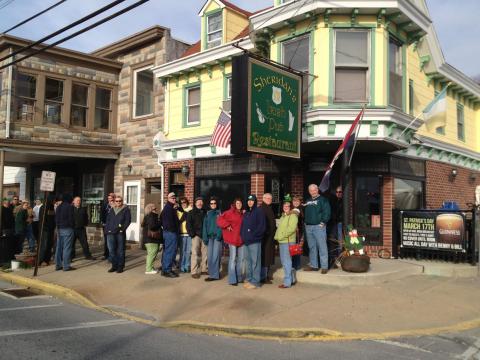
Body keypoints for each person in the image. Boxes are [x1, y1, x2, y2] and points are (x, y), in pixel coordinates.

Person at [240, 194, 266, 289]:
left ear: (255, 202)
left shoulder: (259, 211)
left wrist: (253, 235)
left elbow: (262, 227)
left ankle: (255, 282)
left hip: (255, 241)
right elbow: (243, 227)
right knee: (248, 262)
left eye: (252, 200)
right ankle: (250, 278)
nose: (250, 202)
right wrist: (243, 236)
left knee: (255, 262)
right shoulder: (246, 213)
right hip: (246, 242)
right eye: (248, 200)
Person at [304, 184, 331, 274]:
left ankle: (324, 267)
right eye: (311, 190)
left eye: (314, 190)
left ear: (317, 190)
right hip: (308, 226)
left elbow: (327, 211)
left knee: (322, 246)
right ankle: (314, 265)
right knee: (312, 247)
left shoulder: (323, 200)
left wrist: (323, 222)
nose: (313, 192)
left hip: (318, 227)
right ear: (309, 191)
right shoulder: (308, 200)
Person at [217, 197, 244, 286]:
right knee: (232, 259)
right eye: (237, 203)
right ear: (234, 204)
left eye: (240, 203)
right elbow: (219, 220)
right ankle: (232, 279)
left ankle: (239, 277)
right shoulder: (229, 212)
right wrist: (227, 225)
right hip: (232, 239)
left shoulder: (243, 213)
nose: (239, 205)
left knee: (241, 259)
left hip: (241, 240)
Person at [274, 199, 298, 288]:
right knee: (286, 261)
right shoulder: (283, 216)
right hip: (282, 241)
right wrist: (277, 237)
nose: (286, 207)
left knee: (286, 262)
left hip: (287, 241)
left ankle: (287, 283)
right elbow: (280, 228)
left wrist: (282, 236)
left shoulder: (293, 216)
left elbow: (292, 229)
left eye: (288, 206)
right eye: (284, 206)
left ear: (290, 207)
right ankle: (292, 279)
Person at [105, 196, 131, 273]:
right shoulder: (112, 210)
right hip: (110, 233)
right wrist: (107, 230)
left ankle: (120, 267)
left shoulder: (126, 210)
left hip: (120, 233)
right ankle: (114, 266)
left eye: (120, 201)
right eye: (116, 201)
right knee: (111, 250)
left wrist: (122, 229)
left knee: (120, 251)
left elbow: (128, 221)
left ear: (122, 201)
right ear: (114, 202)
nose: (118, 202)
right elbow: (108, 220)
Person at [160, 192, 181, 278]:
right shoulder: (168, 208)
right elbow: (167, 222)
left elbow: (161, 218)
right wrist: (173, 230)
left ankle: (165, 269)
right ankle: (167, 270)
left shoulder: (170, 208)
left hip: (168, 232)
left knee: (167, 251)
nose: (174, 199)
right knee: (170, 252)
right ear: (168, 199)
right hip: (170, 233)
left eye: (174, 197)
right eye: (172, 198)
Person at [202, 197, 222, 282]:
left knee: (215, 257)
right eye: (211, 203)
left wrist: (219, 235)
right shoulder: (207, 214)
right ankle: (212, 273)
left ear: (216, 204)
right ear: (209, 205)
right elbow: (205, 226)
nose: (213, 205)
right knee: (210, 257)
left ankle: (215, 275)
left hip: (217, 238)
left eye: (214, 203)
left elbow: (221, 225)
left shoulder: (220, 213)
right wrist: (205, 237)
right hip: (210, 238)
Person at [187, 197, 207, 279]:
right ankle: (194, 271)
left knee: (205, 254)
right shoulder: (191, 213)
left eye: (201, 202)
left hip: (204, 235)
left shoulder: (205, 212)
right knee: (195, 254)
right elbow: (188, 224)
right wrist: (192, 234)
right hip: (196, 236)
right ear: (195, 203)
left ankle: (204, 269)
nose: (200, 203)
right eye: (198, 202)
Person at [55, 194, 75, 271]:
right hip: (67, 228)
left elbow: (56, 219)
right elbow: (71, 219)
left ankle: (58, 265)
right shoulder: (69, 207)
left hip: (59, 229)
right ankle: (66, 266)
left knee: (59, 247)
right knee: (67, 248)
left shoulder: (59, 207)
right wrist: (72, 226)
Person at [259, 193, 276, 284]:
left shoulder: (269, 208)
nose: (269, 199)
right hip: (265, 237)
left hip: (270, 237)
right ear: (263, 198)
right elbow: (262, 223)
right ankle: (263, 277)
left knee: (268, 256)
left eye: (270, 198)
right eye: (267, 198)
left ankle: (266, 275)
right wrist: (267, 232)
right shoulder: (262, 208)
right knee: (265, 257)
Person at [142, 203, 162, 274]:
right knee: (152, 254)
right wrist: (160, 223)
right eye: (154, 209)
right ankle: (149, 269)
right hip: (151, 239)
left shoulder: (147, 216)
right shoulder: (152, 216)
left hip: (148, 239)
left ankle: (150, 267)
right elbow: (152, 226)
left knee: (151, 254)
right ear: (150, 209)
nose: (156, 210)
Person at [329, 185, 344, 268]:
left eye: (340, 192)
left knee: (340, 241)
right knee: (333, 240)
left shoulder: (343, 201)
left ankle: (339, 258)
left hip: (340, 223)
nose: (338, 193)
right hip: (333, 223)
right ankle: (334, 258)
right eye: (337, 192)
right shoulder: (333, 201)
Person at [38, 199, 55, 266]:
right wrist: (46, 228)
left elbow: (52, 218)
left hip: (50, 229)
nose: (54, 202)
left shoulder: (51, 208)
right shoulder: (44, 208)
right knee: (44, 245)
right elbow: (43, 220)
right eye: (53, 201)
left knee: (49, 245)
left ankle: (47, 259)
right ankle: (41, 260)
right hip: (45, 230)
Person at [177, 197, 192, 273]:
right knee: (182, 251)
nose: (183, 204)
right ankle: (182, 266)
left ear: (187, 202)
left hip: (189, 234)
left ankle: (187, 266)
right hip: (181, 234)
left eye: (184, 202)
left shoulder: (190, 210)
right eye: (181, 203)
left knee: (188, 251)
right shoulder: (178, 212)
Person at [292, 195, 305, 270]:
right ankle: (295, 264)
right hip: (294, 232)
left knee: (297, 248)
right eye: (294, 201)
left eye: (297, 201)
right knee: (294, 247)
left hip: (299, 231)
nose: (295, 202)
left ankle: (296, 265)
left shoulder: (300, 209)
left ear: (300, 202)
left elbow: (297, 215)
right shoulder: (293, 209)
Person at [100, 193, 115, 260]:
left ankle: (113, 254)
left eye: (111, 199)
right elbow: (102, 213)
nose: (110, 200)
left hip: (114, 225)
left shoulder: (116, 205)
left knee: (113, 240)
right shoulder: (105, 205)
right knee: (106, 240)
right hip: (106, 225)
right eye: (108, 199)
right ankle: (106, 254)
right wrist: (102, 222)